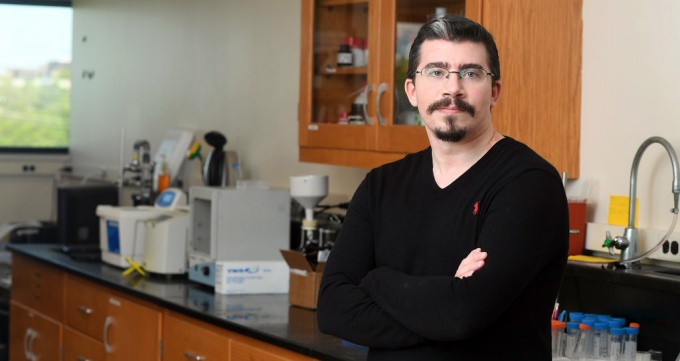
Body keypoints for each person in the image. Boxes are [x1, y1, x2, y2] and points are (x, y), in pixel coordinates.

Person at [316, 15, 569, 360]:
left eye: (470, 73)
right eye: (436, 72)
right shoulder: (381, 185)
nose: (453, 89)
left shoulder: (529, 184)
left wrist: (376, 281)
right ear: (412, 91)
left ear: (494, 92)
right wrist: (444, 312)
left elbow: (461, 314)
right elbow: (333, 308)